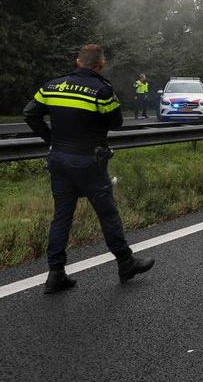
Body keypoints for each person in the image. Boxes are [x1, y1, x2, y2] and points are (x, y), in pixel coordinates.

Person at [24, 44, 155, 294]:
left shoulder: (52, 85)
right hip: (87, 162)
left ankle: (55, 273)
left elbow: (30, 114)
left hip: (59, 160)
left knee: (61, 217)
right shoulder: (101, 90)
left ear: (77, 61)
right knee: (107, 213)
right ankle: (126, 263)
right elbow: (116, 122)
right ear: (101, 64)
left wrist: (51, 140)